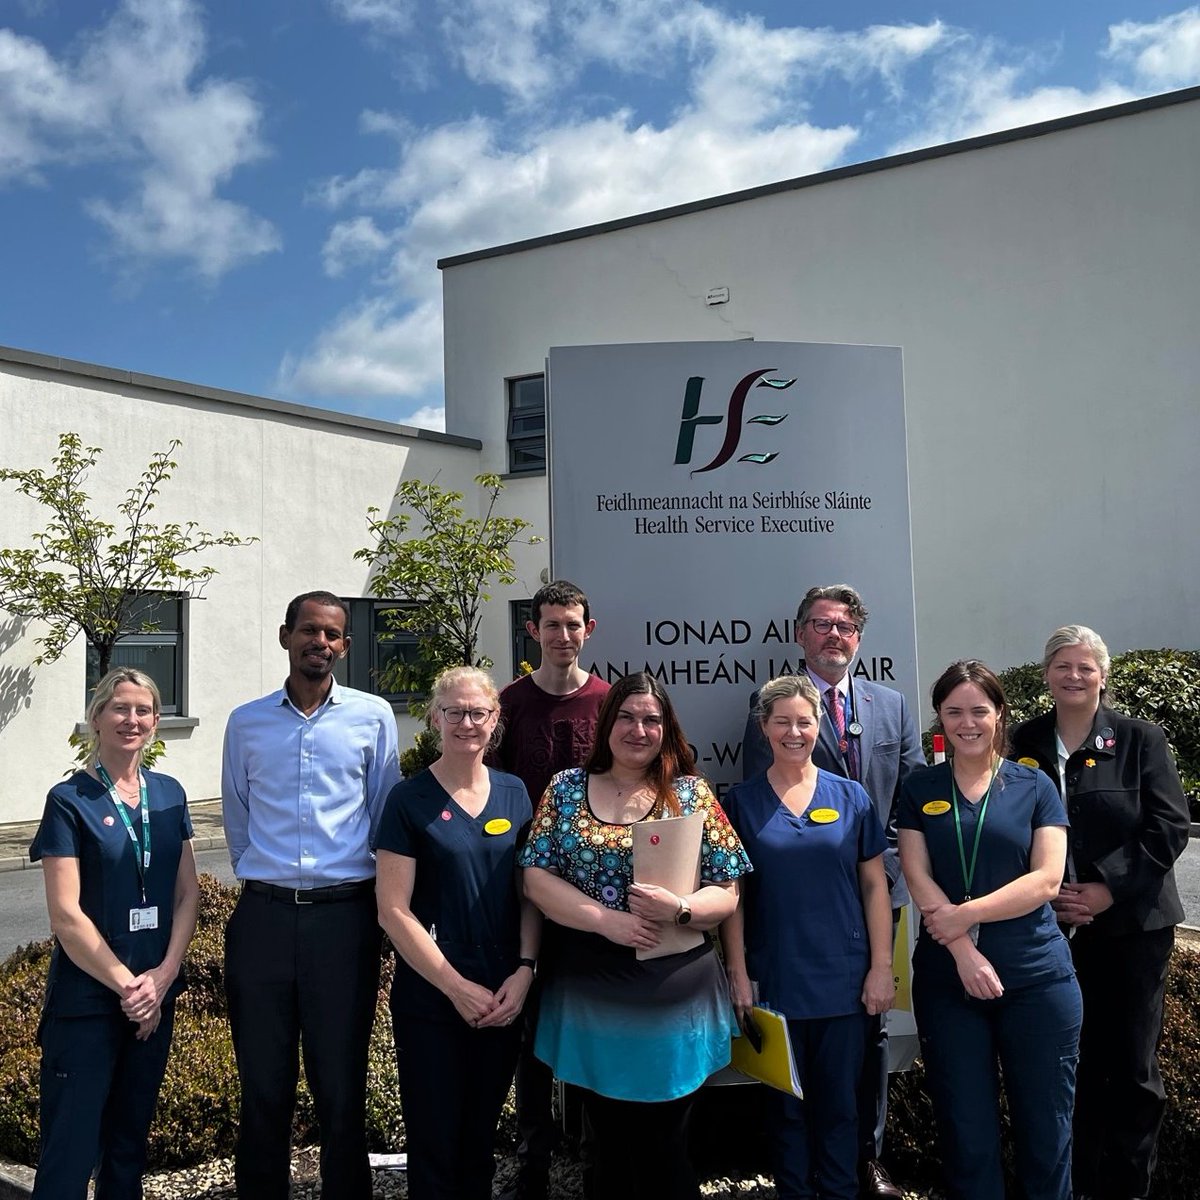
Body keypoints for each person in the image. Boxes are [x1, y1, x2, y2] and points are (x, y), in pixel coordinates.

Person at [519, 672, 750, 1200]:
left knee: (664, 1147)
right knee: (608, 1147)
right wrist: (608, 921)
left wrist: (683, 908)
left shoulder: (690, 794)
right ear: (607, 724)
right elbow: (536, 878)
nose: (638, 729)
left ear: (666, 729)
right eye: (627, 716)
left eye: (651, 719)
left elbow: (729, 890)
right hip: (590, 991)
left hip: (674, 997)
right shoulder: (566, 788)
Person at [742, 584, 924, 1198]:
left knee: (866, 1043)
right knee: (793, 1085)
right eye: (821, 624)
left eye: (845, 626)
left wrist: (890, 873)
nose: (833, 635)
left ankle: (863, 1162)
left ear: (859, 637)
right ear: (801, 634)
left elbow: (910, 797)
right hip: (790, 925)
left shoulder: (892, 706)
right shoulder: (771, 710)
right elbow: (752, 831)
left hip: (875, 904)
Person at [221, 590, 400, 1200]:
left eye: (331, 634)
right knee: (263, 1085)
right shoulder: (246, 722)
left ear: (345, 646)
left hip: (344, 922)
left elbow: (383, 812)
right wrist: (267, 875)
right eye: (308, 631)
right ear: (285, 636)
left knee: (341, 1085)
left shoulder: (373, 717)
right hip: (264, 920)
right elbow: (237, 815)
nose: (319, 642)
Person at [1009, 626, 1190, 1200]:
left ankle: (1127, 1187)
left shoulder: (1141, 740)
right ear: (1046, 674)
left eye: (1085, 667)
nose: (1073, 676)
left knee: (1133, 1069)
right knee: (1068, 1064)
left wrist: (1107, 888)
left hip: (1133, 928)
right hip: (1050, 929)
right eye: (1062, 665)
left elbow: (1168, 828)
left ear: (1103, 675)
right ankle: (1076, 1185)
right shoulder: (1023, 741)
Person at [897, 660, 1081, 1200]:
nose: (967, 722)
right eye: (954, 711)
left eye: (979, 710)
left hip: (1036, 980)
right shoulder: (919, 787)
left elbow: (1047, 880)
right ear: (939, 718)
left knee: (1047, 1130)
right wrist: (962, 951)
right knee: (966, 1132)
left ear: (999, 715)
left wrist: (967, 914)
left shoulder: (1034, 784)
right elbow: (916, 873)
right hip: (949, 984)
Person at [722, 674, 895, 1200]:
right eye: (782, 722)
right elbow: (734, 898)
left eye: (804, 721)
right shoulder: (741, 803)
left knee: (842, 1105)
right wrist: (738, 973)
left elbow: (874, 887)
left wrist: (881, 966)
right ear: (764, 728)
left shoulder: (852, 797)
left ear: (819, 726)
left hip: (843, 980)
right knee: (784, 1108)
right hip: (774, 979)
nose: (794, 732)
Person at [29, 667, 199, 1199]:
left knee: (128, 1151)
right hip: (89, 1004)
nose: (132, 720)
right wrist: (130, 987)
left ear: (155, 723)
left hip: (153, 1001)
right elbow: (66, 916)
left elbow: (187, 894)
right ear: (97, 718)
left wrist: (164, 979)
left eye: (143, 710)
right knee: (69, 1152)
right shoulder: (69, 800)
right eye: (120, 708)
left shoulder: (170, 795)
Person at [374, 665, 539, 1199]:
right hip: (432, 996)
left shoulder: (515, 793)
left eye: (478, 712)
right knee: (434, 1142)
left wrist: (525, 970)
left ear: (496, 719)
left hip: (502, 992)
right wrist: (454, 987)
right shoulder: (408, 800)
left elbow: (530, 891)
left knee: (481, 1138)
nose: (466, 722)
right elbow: (393, 910)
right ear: (435, 718)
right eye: (454, 712)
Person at [490, 580, 610, 1200]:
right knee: (531, 1033)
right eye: (551, 625)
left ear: (590, 630)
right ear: (532, 632)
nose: (563, 636)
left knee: (592, 1023)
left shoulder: (609, 703)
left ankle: (595, 1158)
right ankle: (532, 1159)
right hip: (522, 890)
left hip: (594, 894)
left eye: (573, 625)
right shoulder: (506, 706)